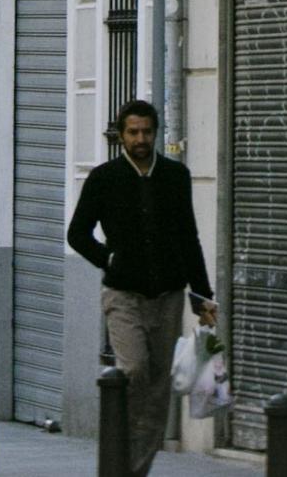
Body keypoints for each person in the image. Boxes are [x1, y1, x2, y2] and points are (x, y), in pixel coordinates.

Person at [67, 99, 217, 477]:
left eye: (147, 132)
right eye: (133, 132)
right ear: (121, 136)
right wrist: (107, 259)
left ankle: (134, 470)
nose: (140, 139)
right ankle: (115, 458)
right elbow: (77, 234)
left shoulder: (175, 177)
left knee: (155, 394)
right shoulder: (105, 178)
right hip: (123, 296)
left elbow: (189, 238)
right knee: (132, 371)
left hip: (167, 297)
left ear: (155, 132)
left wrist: (202, 296)